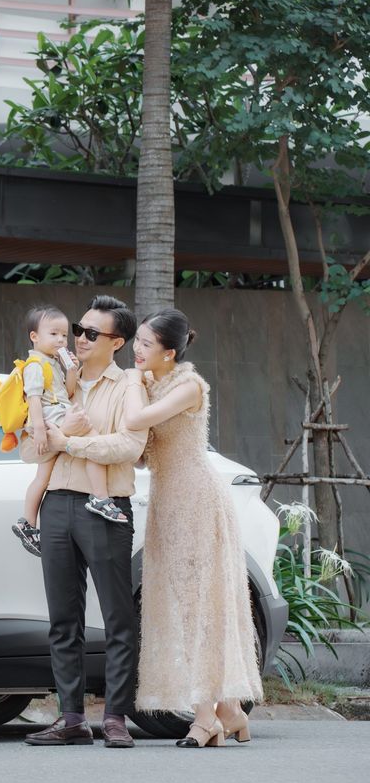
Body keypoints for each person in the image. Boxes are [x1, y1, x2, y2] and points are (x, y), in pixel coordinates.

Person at [121, 309, 263, 747]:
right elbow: (141, 453)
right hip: (168, 503)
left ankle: (206, 719)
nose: (137, 349)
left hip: (198, 500)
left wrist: (131, 383)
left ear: (169, 352)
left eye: (146, 343)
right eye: (137, 341)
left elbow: (135, 421)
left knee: (200, 606)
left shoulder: (189, 386)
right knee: (184, 607)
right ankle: (230, 710)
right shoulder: (153, 385)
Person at [20, 295, 148, 749]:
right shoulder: (52, 376)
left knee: (117, 616)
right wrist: (54, 435)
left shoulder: (128, 385)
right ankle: (71, 718)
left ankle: (115, 717)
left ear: (117, 342)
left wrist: (67, 441)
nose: (79, 337)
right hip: (56, 503)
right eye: (78, 328)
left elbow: (128, 446)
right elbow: (29, 448)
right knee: (62, 619)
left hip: (105, 505)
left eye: (92, 333)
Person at [7, 306, 129, 559]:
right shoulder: (35, 365)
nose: (63, 340)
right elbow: (34, 399)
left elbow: (69, 392)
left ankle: (28, 522)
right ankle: (100, 497)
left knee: (42, 477)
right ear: (34, 337)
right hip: (50, 417)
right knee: (93, 439)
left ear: (117, 343)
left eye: (64, 335)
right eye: (55, 334)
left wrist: (71, 370)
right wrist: (42, 430)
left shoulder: (53, 363)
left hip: (54, 415)